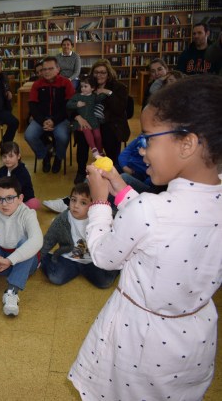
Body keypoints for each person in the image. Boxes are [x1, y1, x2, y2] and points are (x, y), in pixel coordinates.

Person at [68, 75, 222, 400]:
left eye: (148, 138)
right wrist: (119, 186)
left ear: (187, 144)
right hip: (193, 342)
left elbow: (103, 256)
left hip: (139, 345)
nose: (141, 148)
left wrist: (100, 202)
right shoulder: (185, 205)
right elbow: (162, 222)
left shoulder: (150, 211)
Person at [0, 177, 42, 317]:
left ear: (20, 198)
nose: (4, 204)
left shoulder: (27, 213)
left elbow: (37, 240)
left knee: (27, 241)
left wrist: (11, 260)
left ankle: (12, 291)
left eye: (9, 198)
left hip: (24, 265)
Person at [40, 182, 119, 288]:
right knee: (56, 278)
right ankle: (47, 258)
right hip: (69, 259)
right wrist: (39, 256)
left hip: (92, 261)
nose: (76, 206)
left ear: (93, 205)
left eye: (83, 203)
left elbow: (112, 241)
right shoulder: (62, 219)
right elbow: (49, 240)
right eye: (73, 200)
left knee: (105, 282)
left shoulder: (99, 219)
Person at [73, 59, 129, 184]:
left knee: (110, 135)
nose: (99, 75)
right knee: (82, 135)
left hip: (110, 123)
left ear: (108, 74)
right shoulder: (85, 85)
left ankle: (111, 169)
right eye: (96, 72)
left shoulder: (118, 87)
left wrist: (107, 92)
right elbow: (73, 104)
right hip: (88, 122)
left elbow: (120, 109)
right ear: (92, 73)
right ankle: (81, 171)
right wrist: (78, 117)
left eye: (103, 72)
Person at [24, 56, 75, 174]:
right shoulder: (37, 84)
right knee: (29, 135)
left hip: (61, 119)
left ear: (58, 69)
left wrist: (54, 121)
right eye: (44, 69)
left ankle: (58, 157)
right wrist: (43, 121)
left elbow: (69, 106)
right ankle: (45, 155)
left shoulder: (66, 83)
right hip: (42, 119)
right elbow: (32, 106)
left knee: (62, 137)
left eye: (50, 68)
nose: (46, 72)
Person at [66, 75, 111, 158]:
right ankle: (94, 150)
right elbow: (68, 104)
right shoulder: (77, 96)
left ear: (92, 88)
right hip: (80, 122)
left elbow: (102, 96)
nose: (83, 88)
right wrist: (76, 104)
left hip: (93, 120)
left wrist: (106, 91)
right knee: (86, 130)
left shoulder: (94, 96)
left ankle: (100, 151)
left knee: (97, 136)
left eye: (85, 86)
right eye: (82, 86)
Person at [0, 141, 39, 210]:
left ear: (18, 156)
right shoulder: (1, 171)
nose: (7, 159)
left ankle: (13, 209)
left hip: (21, 199)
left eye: (11, 156)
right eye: (4, 156)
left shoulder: (23, 172)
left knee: (34, 203)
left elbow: (16, 191)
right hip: (6, 198)